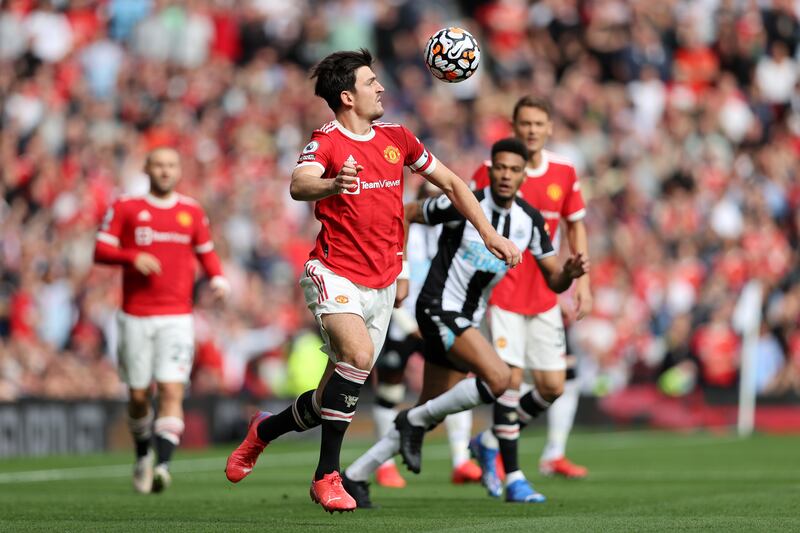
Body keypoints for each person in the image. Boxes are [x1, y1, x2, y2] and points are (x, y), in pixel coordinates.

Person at [223, 48, 520, 514]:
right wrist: (333, 184)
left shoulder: (398, 138)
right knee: (359, 357)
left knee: (327, 400)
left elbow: (454, 183)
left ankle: (264, 430)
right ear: (347, 96)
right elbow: (299, 184)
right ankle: (327, 476)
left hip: (381, 284)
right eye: (370, 82)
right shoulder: (325, 142)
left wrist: (488, 234)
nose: (381, 87)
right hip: (332, 271)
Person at [342, 138, 589, 507]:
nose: (506, 175)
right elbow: (408, 212)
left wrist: (568, 274)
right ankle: (420, 429)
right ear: (490, 170)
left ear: (524, 176)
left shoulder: (529, 221)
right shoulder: (465, 203)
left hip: (467, 319)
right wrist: (403, 271)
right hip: (437, 307)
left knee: (429, 411)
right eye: (500, 167)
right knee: (501, 378)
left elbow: (554, 278)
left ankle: (356, 475)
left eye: (514, 169)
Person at [468, 96, 593, 502]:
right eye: (525, 123)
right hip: (502, 288)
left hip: (545, 290)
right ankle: (514, 475)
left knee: (553, 386)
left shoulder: (564, 171)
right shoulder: (491, 172)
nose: (532, 130)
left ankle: (489, 440)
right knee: (511, 381)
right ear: (514, 126)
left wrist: (583, 285)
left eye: (539, 123)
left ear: (550, 127)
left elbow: (575, 227)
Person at [94, 147, 230, 494]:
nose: (165, 171)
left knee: (171, 388)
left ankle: (164, 466)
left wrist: (217, 278)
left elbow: (206, 251)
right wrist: (132, 257)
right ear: (147, 169)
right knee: (139, 395)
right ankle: (142, 454)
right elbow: (101, 249)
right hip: (135, 316)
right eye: (159, 165)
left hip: (177, 316)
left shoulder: (191, 211)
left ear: (179, 170)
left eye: (171, 165)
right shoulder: (127, 207)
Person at [371, 182, 481, 489]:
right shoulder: (403, 232)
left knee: (455, 386)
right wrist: (409, 324)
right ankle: (385, 465)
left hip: (437, 319)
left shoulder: (455, 234)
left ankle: (461, 461)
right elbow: (389, 282)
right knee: (390, 390)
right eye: (430, 200)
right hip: (403, 323)